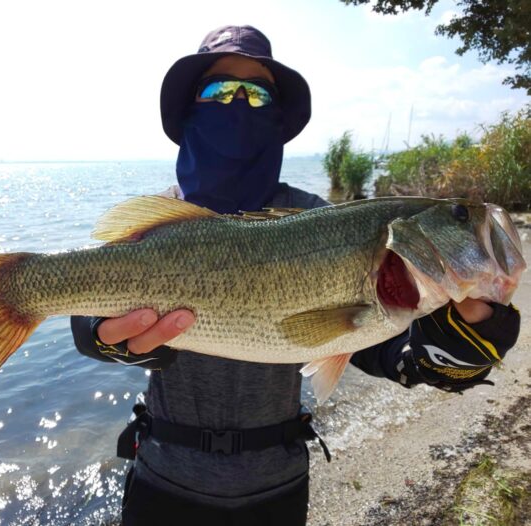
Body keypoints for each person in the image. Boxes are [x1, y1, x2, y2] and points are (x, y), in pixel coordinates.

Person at [71, 25, 520, 526]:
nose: (239, 103)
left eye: (258, 94)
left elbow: (388, 352)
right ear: (190, 107)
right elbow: (86, 296)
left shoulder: (321, 221)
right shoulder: (157, 225)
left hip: (275, 489)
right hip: (162, 481)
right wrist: (99, 335)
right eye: (220, 89)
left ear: (278, 116)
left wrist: (461, 346)